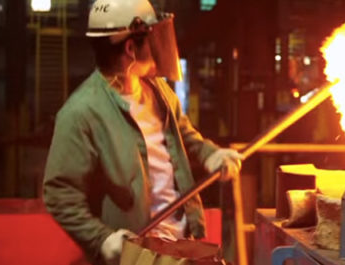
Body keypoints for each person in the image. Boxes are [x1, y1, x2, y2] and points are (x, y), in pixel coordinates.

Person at [42, 0, 242, 264]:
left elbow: (184, 133)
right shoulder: (81, 113)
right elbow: (59, 194)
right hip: (139, 254)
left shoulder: (158, 91)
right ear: (130, 48)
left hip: (183, 242)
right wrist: (101, 238)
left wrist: (210, 154)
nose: (159, 44)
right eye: (151, 37)